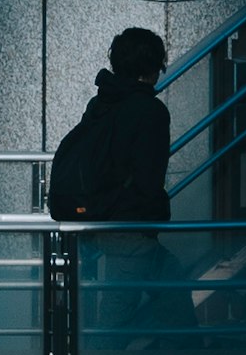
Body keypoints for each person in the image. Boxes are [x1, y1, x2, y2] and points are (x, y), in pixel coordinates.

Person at [47, 25, 172, 225]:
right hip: (126, 223)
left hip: (91, 218)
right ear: (152, 66)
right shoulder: (150, 110)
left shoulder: (101, 102)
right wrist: (155, 216)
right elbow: (149, 178)